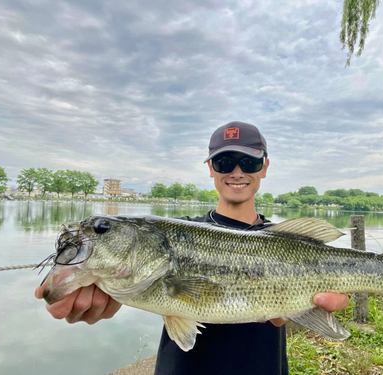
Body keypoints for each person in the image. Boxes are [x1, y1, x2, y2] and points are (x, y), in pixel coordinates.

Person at [35, 121, 350, 375]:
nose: (237, 172)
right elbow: (85, 291)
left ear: (264, 167)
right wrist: (92, 295)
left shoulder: (286, 241)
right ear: (211, 168)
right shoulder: (170, 232)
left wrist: (302, 309)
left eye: (249, 161)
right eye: (225, 161)